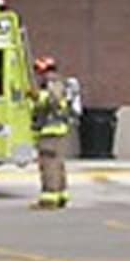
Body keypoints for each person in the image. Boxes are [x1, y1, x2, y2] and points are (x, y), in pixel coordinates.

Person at [29, 56, 73, 209]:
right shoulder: (61, 82)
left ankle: (49, 199)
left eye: (39, 71)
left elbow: (52, 101)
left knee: (49, 165)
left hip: (50, 131)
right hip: (58, 130)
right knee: (57, 163)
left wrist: (37, 98)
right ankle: (61, 194)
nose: (38, 75)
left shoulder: (52, 83)